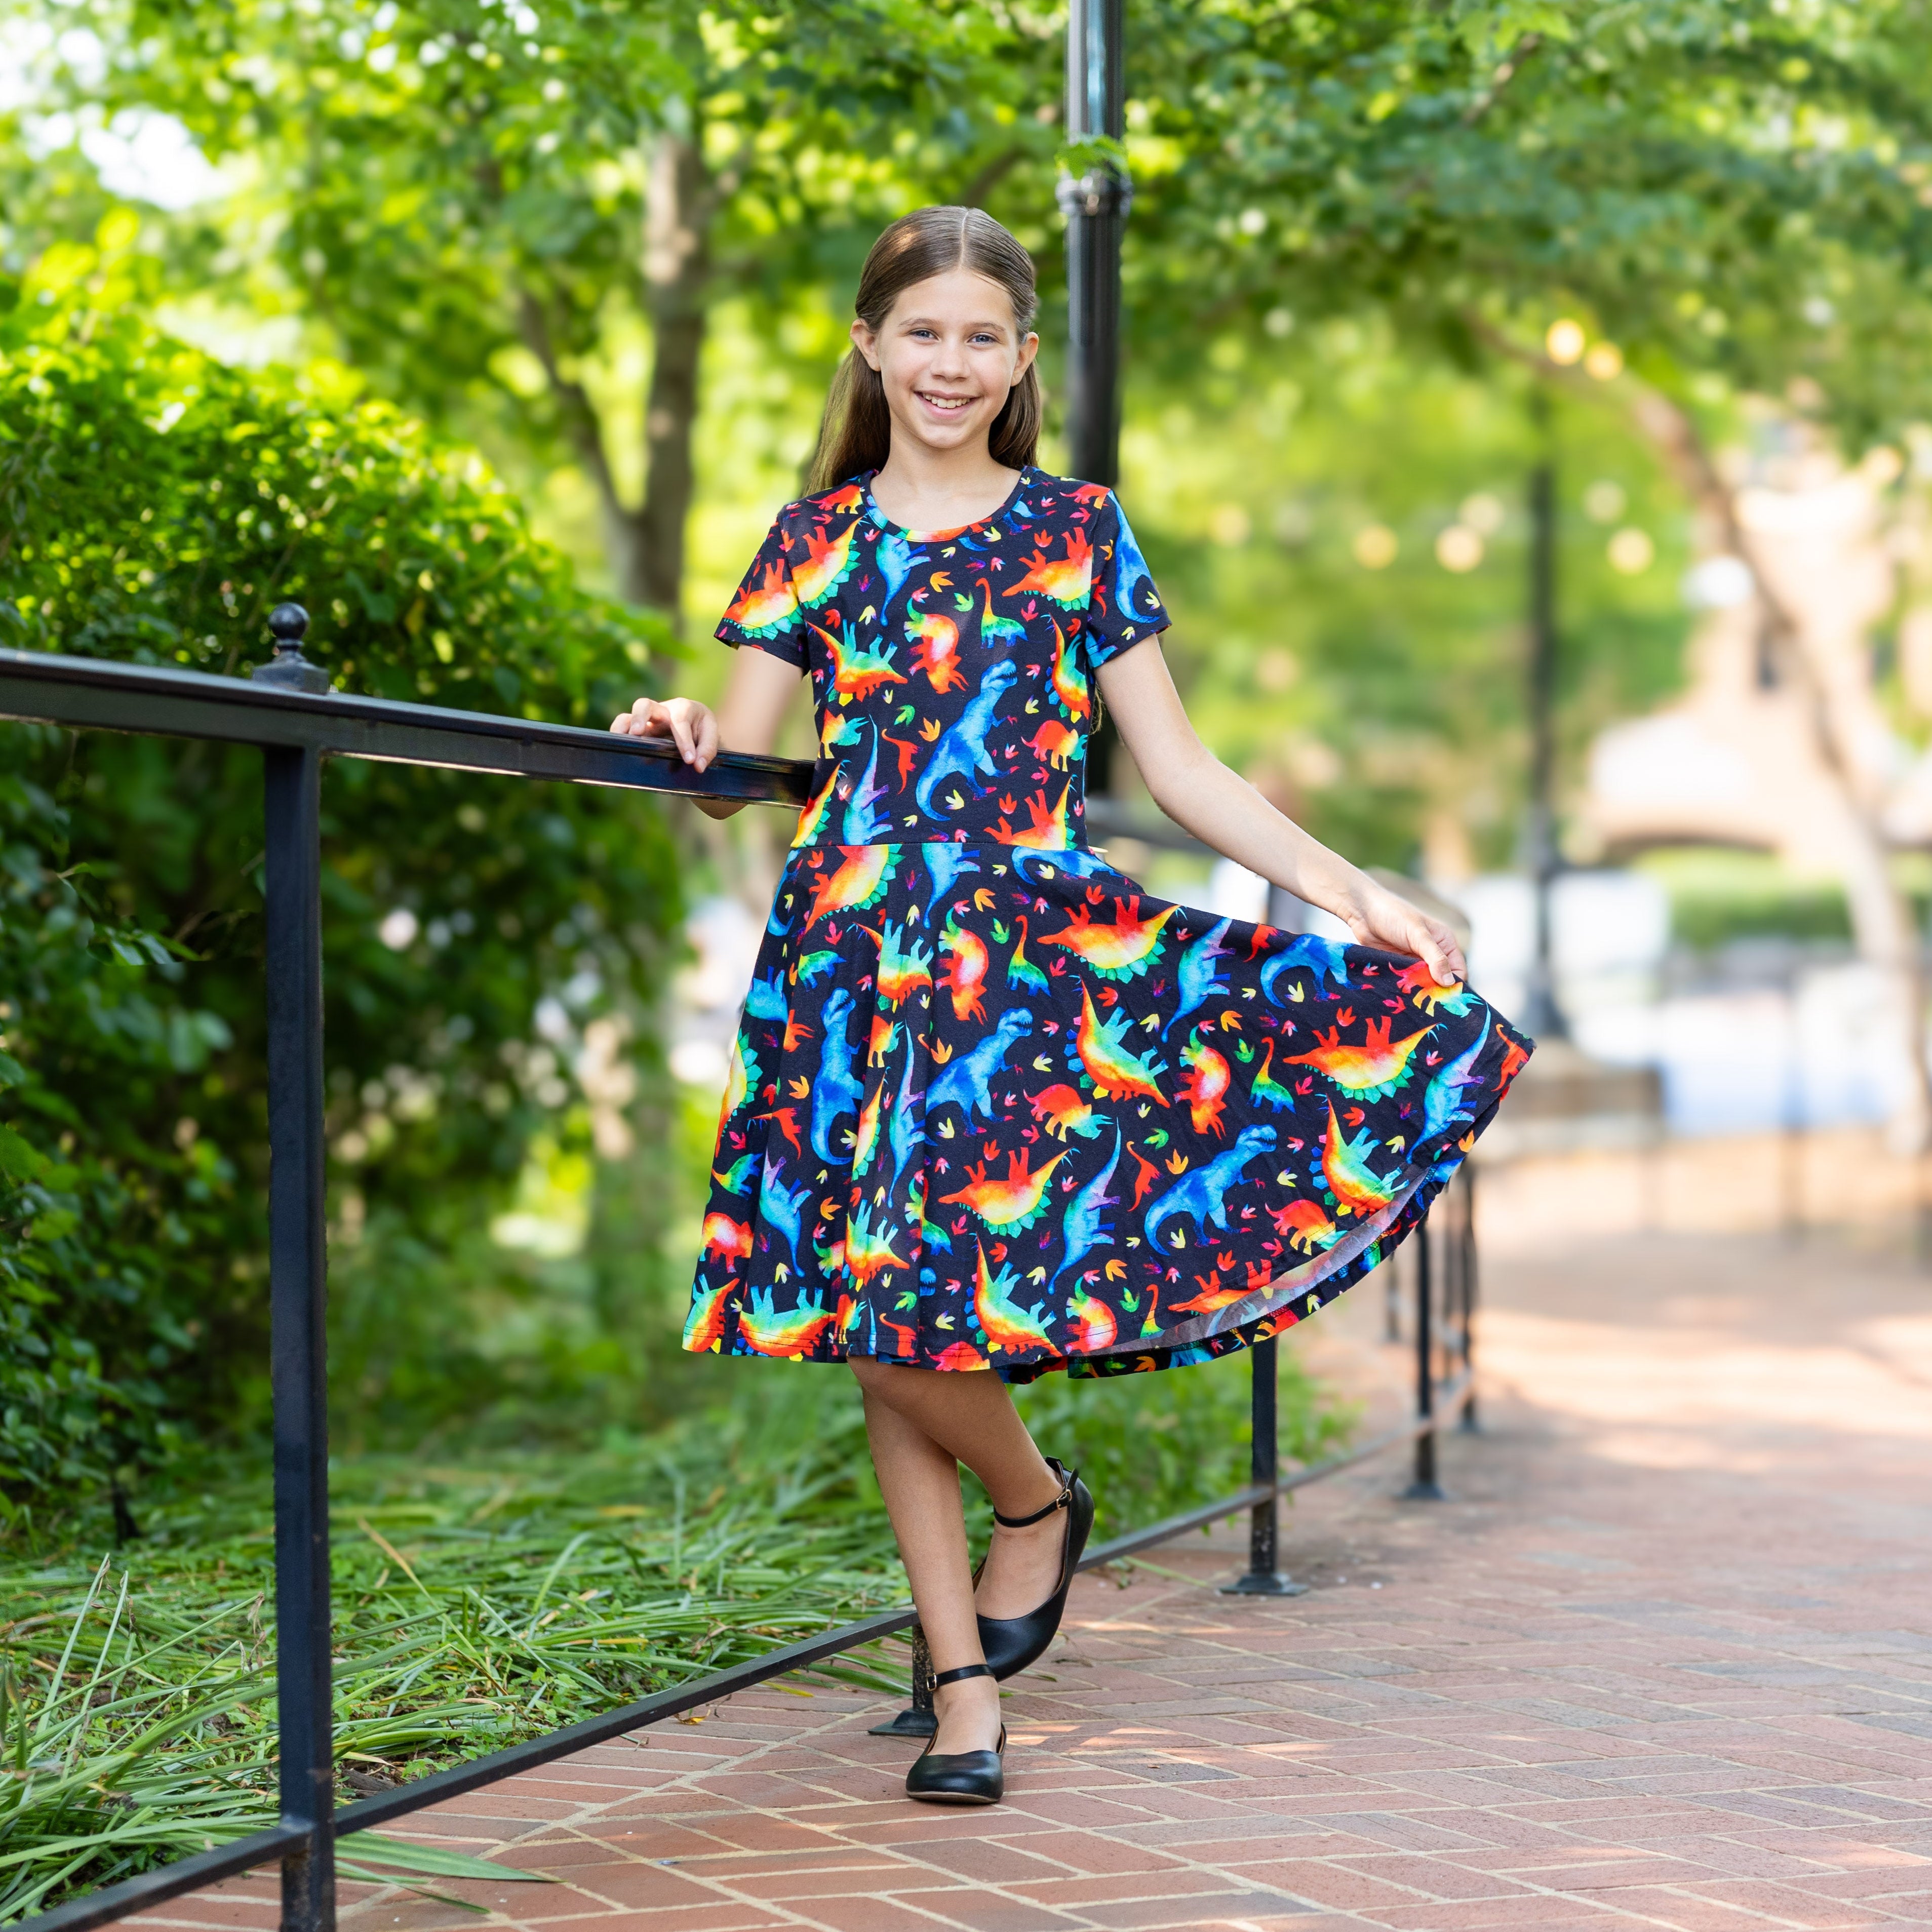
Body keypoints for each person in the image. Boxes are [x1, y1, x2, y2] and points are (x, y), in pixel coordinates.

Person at [613, 206, 1531, 1807]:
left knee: (912, 1316)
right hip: (847, 963)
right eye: (922, 333)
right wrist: (686, 718)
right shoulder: (810, 537)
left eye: (982, 337)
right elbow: (741, 766)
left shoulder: (1076, 531)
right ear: (869, 344)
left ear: (1022, 358)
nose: (949, 363)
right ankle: (967, 1679)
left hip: (1017, 969)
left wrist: (1353, 890)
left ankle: (1029, 1512)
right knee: (876, 1322)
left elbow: (1177, 770)